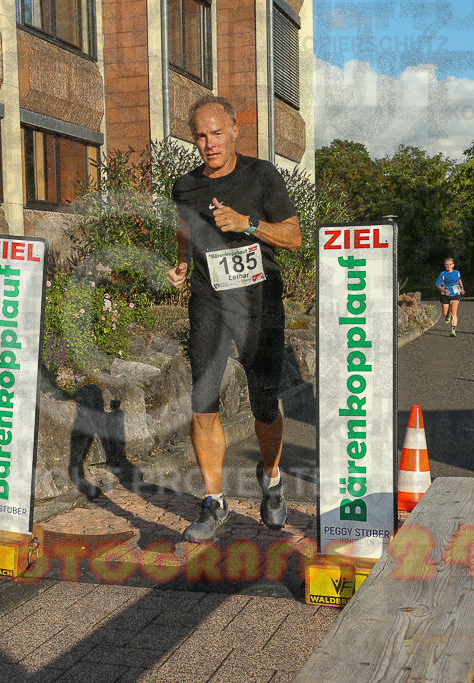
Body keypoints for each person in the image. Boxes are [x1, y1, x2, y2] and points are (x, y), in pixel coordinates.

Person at [166, 95, 302, 542]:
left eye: (217, 133)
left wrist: (247, 223)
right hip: (208, 303)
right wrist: (183, 263)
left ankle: (274, 482)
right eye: (201, 136)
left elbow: (294, 237)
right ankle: (214, 502)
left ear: (235, 131)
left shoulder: (262, 175)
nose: (209, 143)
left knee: (265, 404)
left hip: (259, 303)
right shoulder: (185, 186)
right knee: (202, 405)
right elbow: (186, 227)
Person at [435, 258, 464, 337]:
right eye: (447, 264)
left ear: (453, 265)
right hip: (445, 295)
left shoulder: (457, 273)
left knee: (454, 312)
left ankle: (453, 330)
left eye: (450, 264)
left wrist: (462, 288)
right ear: (445, 266)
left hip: (455, 293)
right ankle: (447, 316)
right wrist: (444, 290)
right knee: (445, 313)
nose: (448, 266)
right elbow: (438, 285)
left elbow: (459, 280)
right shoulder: (443, 274)